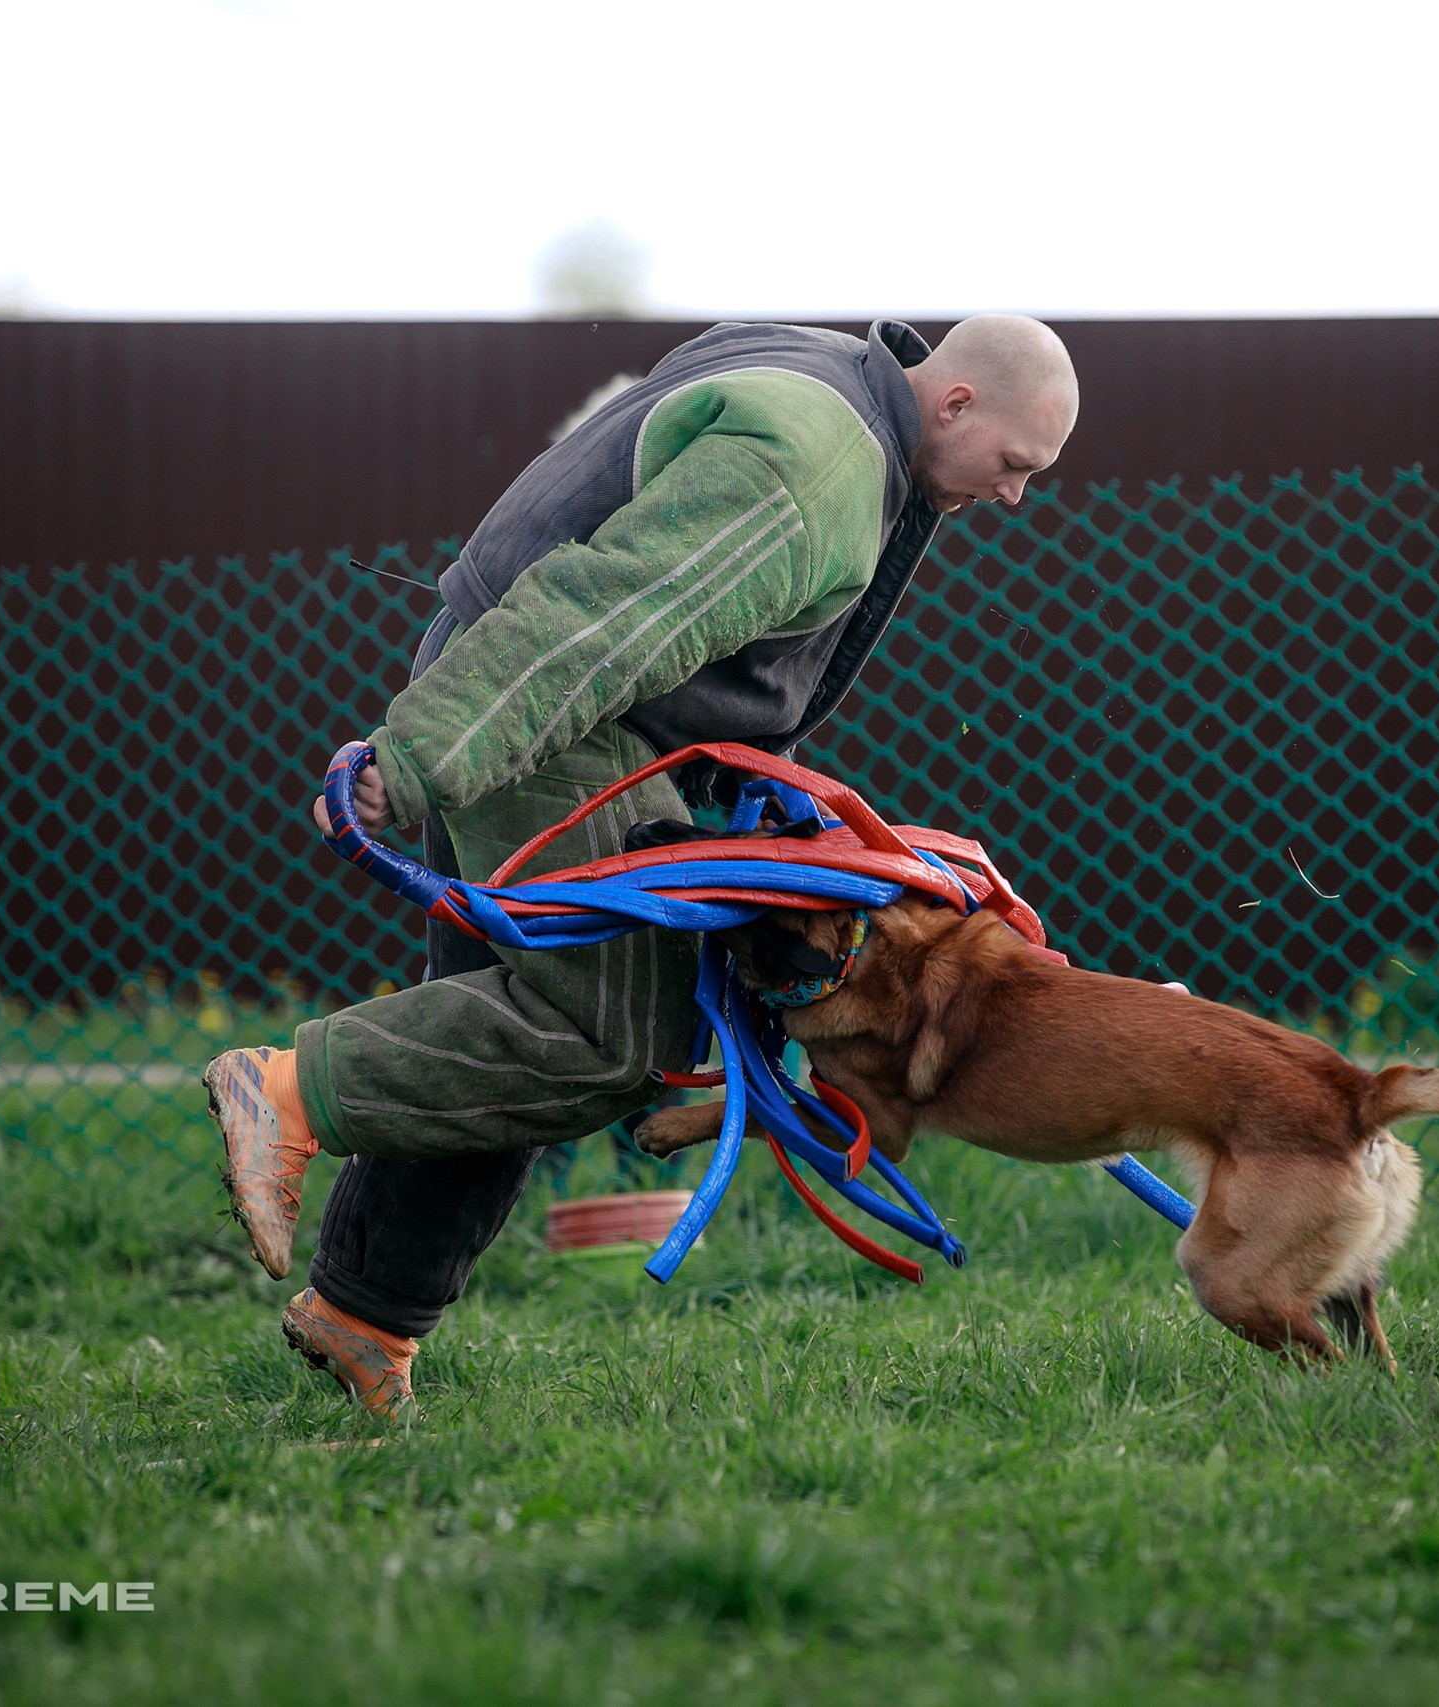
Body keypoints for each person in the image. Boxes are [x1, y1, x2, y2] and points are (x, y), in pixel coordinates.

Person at [209, 315, 1079, 1414]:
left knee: (500, 1020)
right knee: (608, 1035)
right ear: (953, 403)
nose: (1013, 498)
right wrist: (428, 756)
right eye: (1013, 465)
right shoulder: (814, 471)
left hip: (560, 710)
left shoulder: (819, 369)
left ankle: (364, 1319)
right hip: (558, 723)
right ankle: (284, 1092)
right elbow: (612, 614)